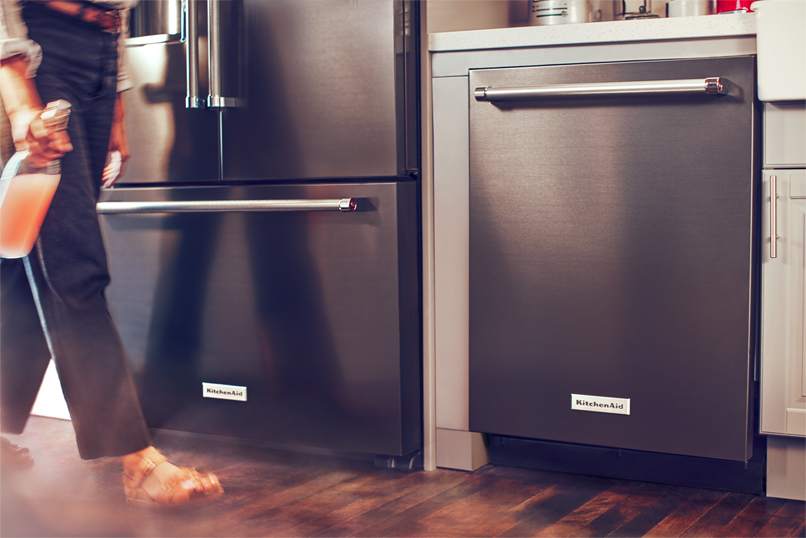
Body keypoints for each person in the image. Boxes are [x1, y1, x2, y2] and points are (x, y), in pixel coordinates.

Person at [0, 0, 223, 507]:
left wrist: (114, 97)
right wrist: (16, 97)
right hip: (31, 52)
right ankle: (135, 459)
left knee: (28, 264)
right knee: (73, 264)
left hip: (98, 52)